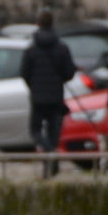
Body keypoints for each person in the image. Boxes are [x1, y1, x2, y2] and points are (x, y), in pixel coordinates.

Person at [20, 10, 76, 179]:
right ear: (52, 24)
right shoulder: (62, 48)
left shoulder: (31, 50)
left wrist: (34, 86)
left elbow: (24, 73)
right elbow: (69, 72)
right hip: (56, 97)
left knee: (35, 130)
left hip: (38, 98)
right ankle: (52, 161)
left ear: (38, 24)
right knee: (53, 133)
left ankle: (50, 160)